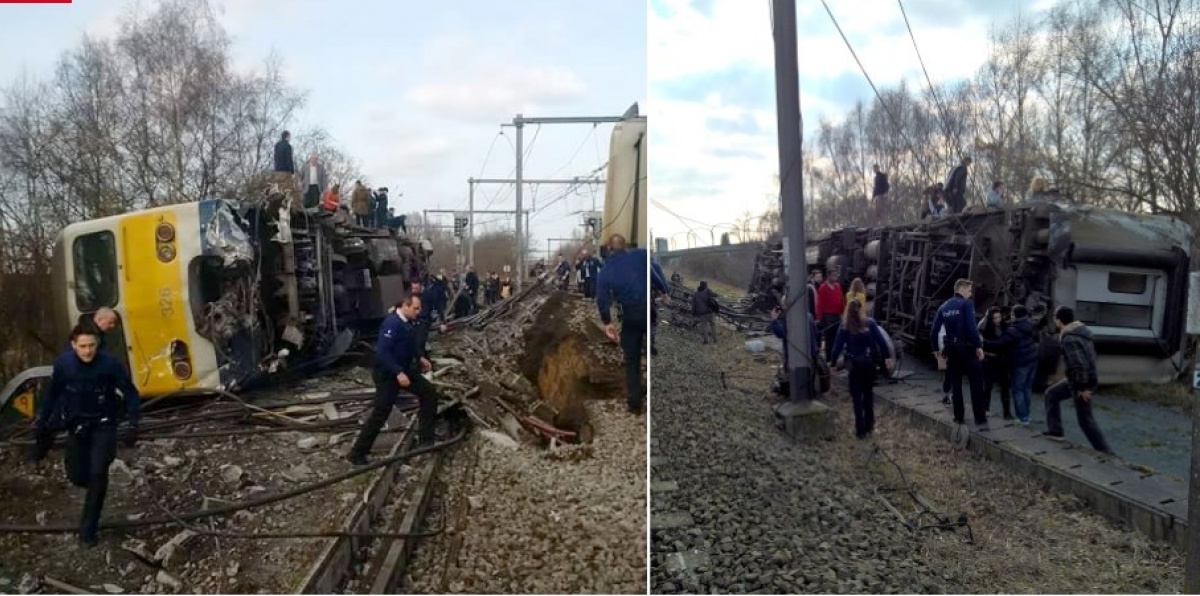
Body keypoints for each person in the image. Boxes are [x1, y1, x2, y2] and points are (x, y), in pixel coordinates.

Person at [31, 326, 141, 547]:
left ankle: (87, 532)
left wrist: (133, 423)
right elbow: (52, 394)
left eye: (91, 345)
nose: (88, 351)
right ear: (73, 345)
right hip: (77, 426)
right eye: (82, 346)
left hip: (104, 424)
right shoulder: (64, 364)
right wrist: (42, 422)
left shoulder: (110, 364)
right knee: (77, 476)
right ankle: (94, 487)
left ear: (97, 344)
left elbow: (130, 392)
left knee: (98, 472)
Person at [348, 293, 439, 465]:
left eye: (419, 308)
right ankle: (357, 453)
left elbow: (409, 344)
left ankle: (426, 441)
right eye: (415, 308)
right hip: (387, 374)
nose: (418, 312)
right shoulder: (392, 324)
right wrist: (398, 372)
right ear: (404, 305)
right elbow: (383, 352)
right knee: (381, 412)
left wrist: (420, 357)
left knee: (429, 393)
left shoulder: (407, 322)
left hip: (404, 370)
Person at [1043, 306, 1114, 455]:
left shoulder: (1069, 339)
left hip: (1081, 382)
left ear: (1059, 320)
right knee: (1051, 395)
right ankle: (1055, 432)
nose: (1054, 321)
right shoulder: (1082, 333)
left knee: (1085, 420)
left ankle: (1106, 452)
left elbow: (1078, 364)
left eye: (1055, 318)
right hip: (1079, 380)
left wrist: (1082, 388)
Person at [596, 233, 648, 415]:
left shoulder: (606, 269)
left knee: (632, 359)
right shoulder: (641, 255)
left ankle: (635, 404)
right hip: (650, 310)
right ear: (625, 246)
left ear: (609, 249)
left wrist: (607, 322)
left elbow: (602, 298)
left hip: (630, 316)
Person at [830, 300, 893, 439]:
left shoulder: (845, 326)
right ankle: (870, 424)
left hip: (854, 364)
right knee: (868, 394)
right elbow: (882, 342)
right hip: (869, 363)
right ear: (861, 310)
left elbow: (836, 349)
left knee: (856, 397)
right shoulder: (870, 323)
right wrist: (887, 357)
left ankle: (860, 430)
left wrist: (833, 363)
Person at [930, 279, 987, 429]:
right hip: (967, 348)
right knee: (976, 381)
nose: (971, 293)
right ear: (961, 289)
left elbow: (934, 331)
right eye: (969, 290)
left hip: (951, 349)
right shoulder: (966, 304)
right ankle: (980, 419)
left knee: (956, 383)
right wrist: (978, 346)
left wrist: (937, 350)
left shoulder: (944, 307)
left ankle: (958, 417)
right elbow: (971, 326)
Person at [984, 305, 1038, 425]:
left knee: (1018, 390)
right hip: (1031, 360)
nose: (1009, 316)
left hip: (1020, 362)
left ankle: (1022, 418)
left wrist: (983, 342)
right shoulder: (1029, 324)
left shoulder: (1013, 330)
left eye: (1012, 314)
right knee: (1026, 390)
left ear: (1016, 316)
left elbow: (999, 343)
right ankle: (1026, 416)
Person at [978, 306, 1013, 420]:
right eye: (995, 318)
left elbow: (1006, 342)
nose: (998, 319)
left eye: (999, 317)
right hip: (989, 359)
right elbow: (982, 343)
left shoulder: (1004, 326)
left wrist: (996, 344)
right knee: (987, 385)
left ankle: (1007, 413)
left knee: (1005, 386)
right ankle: (985, 409)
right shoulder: (984, 327)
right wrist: (996, 344)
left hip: (1001, 359)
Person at [816, 269, 845, 361]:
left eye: (836, 275)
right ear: (828, 276)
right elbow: (820, 303)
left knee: (837, 337)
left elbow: (841, 299)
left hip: (837, 315)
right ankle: (829, 358)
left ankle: (835, 358)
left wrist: (843, 311)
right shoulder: (823, 287)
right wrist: (820, 317)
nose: (835, 277)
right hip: (828, 315)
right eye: (833, 275)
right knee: (829, 339)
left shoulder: (837, 286)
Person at [651, 259, 669, 356]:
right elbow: (659, 280)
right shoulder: (651, 265)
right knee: (652, 321)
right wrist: (666, 293)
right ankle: (651, 342)